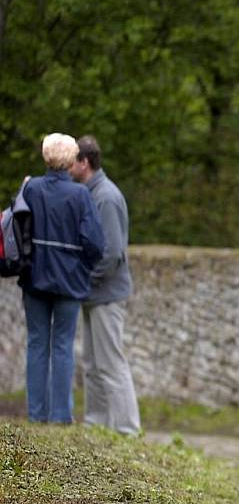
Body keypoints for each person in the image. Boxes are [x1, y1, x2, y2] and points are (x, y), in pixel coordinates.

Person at [20, 133, 105, 424]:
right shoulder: (81, 195)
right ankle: (60, 416)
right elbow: (95, 243)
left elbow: (18, 230)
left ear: (46, 157)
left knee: (37, 343)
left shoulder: (31, 189)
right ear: (71, 161)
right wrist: (82, 266)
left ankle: (36, 414)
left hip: (35, 278)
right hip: (70, 281)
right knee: (63, 345)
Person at [69, 135, 140, 435]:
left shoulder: (106, 197)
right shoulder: (91, 193)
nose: (68, 166)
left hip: (106, 294)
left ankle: (127, 428)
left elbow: (111, 253)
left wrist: (83, 280)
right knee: (92, 363)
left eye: (72, 160)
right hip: (92, 294)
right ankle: (97, 422)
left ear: (84, 162)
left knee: (111, 363)